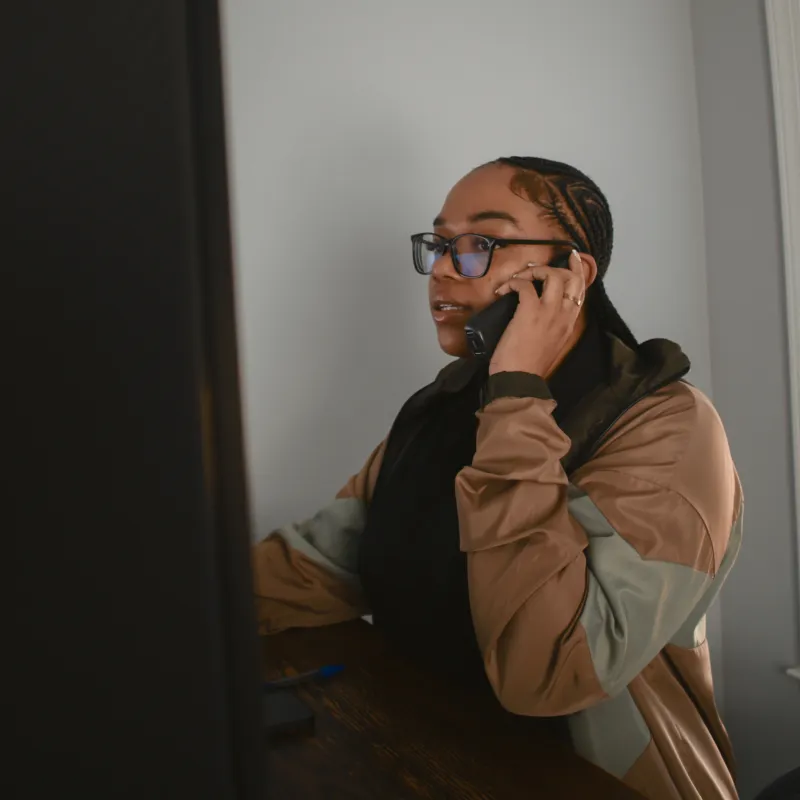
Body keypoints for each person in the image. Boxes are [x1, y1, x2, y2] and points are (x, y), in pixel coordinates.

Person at [252, 156, 742, 800]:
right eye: (439, 244)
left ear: (573, 274)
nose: (447, 268)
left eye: (482, 243)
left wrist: (516, 396)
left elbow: (550, 672)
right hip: (439, 752)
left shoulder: (669, 427)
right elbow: (320, 567)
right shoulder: (449, 403)